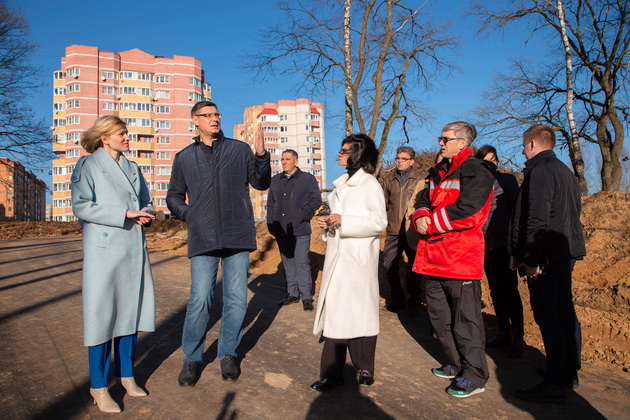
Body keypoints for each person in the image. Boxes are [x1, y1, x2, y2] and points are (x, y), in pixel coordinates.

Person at [166, 101, 271, 387]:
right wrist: (190, 214)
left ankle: (227, 353)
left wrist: (262, 156)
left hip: (237, 234)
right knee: (201, 298)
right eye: (207, 115)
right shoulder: (184, 157)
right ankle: (192, 357)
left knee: (236, 298)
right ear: (195, 121)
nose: (214, 119)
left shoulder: (239, 150)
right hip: (203, 236)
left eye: (217, 114)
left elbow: (261, 183)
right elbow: (173, 196)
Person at [71, 116, 156, 413]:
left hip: (132, 248)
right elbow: (81, 205)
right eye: (122, 133)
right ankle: (98, 386)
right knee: (102, 315)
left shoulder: (133, 167)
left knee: (129, 313)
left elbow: (145, 201)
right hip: (104, 249)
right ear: (105, 138)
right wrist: (125, 214)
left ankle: (126, 375)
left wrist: (145, 213)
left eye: (126, 133)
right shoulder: (88, 165)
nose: (127, 138)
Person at [411, 121, 495, 398]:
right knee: (439, 318)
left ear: (463, 143)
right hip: (432, 258)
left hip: (460, 260)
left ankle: (475, 375)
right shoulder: (438, 171)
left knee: (466, 321)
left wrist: (430, 223)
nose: (440, 143)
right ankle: (457, 364)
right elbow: (424, 200)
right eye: (441, 138)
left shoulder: (477, 170)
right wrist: (420, 215)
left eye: (445, 139)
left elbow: (469, 212)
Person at [508, 124, 586, 404]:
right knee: (564, 312)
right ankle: (565, 372)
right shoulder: (564, 171)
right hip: (563, 254)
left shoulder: (540, 171)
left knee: (547, 315)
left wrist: (531, 259)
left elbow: (537, 218)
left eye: (523, 146)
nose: (522, 151)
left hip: (545, 258)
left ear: (532, 144)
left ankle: (553, 383)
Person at [310, 134, 387, 392]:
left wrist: (344, 220)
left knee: (362, 313)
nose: (339, 154)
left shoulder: (370, 184)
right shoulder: (340, 184)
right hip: (337, 259)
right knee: (336, 313)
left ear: (358, 154)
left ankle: (364, 367)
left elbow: (379, 222)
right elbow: (338, 221)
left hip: (358, 260)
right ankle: (331, 374)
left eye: (344, 151)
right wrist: (328, 224)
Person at [475, 146, 525, 358]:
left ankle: (519, 336)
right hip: (485, 245)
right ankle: (504, 330)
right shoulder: (478, 185)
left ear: (497, 161)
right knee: (495, 290)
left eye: (492, 160)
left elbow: (518, 210)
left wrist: (516, 242)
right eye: (485, 162)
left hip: (505, 244)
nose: (490, 165)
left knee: (510, 290)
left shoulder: (507, 180)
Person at [268, 149, 322, 311]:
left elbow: (316, 200)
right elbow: (270, 204)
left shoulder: (307, 179)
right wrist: (271, 223)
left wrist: (303, 215)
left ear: (296, 161)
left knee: (301, 262)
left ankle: (306, 296)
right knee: (288, 262)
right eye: (282, 159)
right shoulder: (275, 180)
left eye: (287, 159)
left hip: (300, 229)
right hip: (281, 229)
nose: (284, 162)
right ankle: (292, 293)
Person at [381, 146, 424, 316]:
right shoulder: (388, 179)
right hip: (393, 230)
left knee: (414, 268)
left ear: (412, 161)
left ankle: (414, 302)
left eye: (403, 159)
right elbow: (382, 204)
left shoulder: (421, 179)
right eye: (397, 158)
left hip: (413, 230)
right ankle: (398, 300)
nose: (399, 161)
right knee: (389, 265)